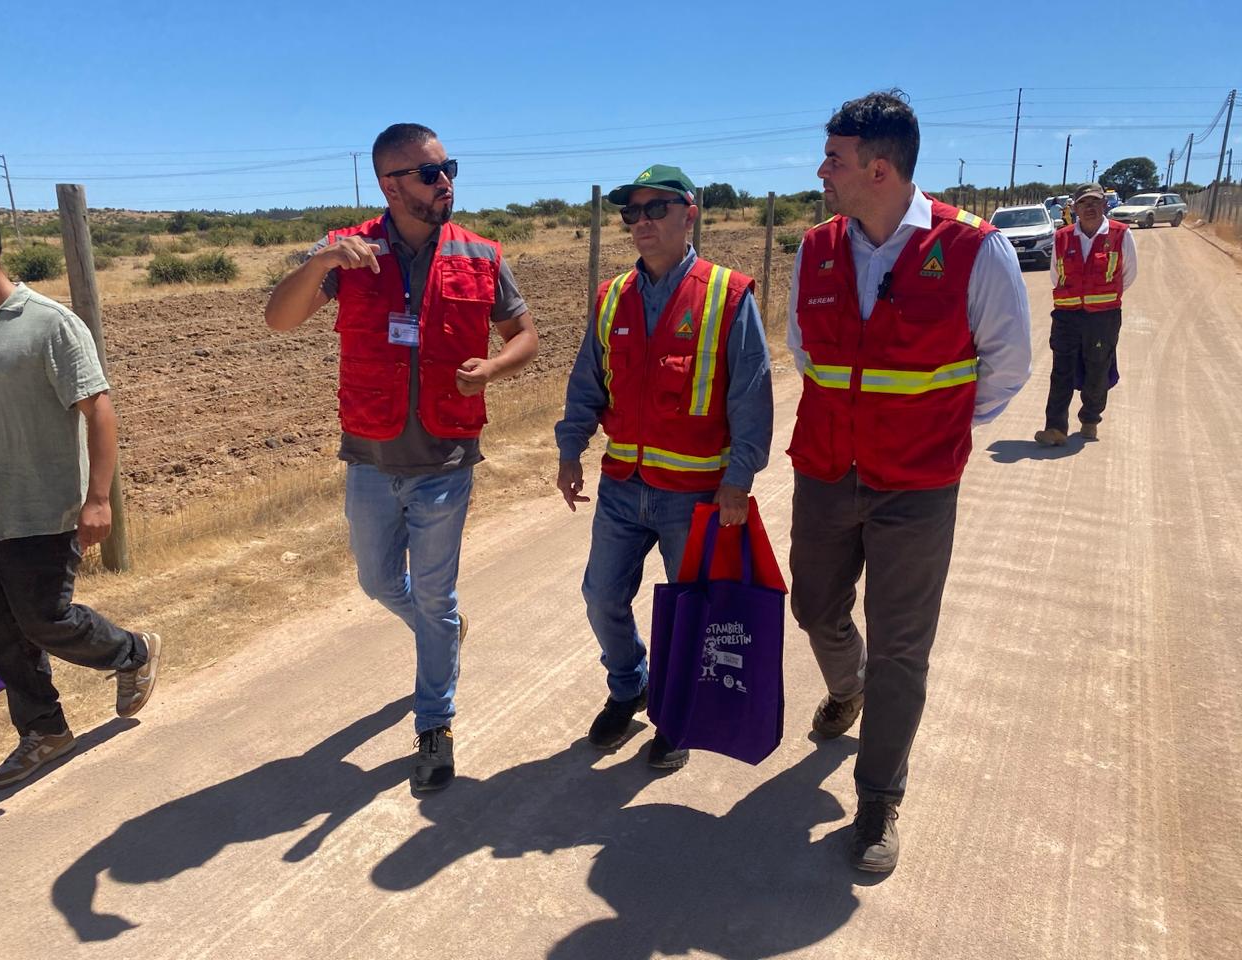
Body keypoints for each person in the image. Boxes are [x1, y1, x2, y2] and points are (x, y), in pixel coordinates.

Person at [786, 91, 1031, 872]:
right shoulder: (816, 248)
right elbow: (804, 351)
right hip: (827, 471)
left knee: (901, 648)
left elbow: (1008, 365)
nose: (822, 171)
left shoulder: (973, 249)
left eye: (834, 159)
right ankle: (847, 685)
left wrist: (936, 429)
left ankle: (878, 800)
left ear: (879, 169)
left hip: (917, 488)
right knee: (813, 605)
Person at [265, 124, 538, 793]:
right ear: (390, 185)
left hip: (445, 457)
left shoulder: (480, 254)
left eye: (448, 168)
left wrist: (494, 366)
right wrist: (320, 262)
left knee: (435, 592)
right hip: (369, 456)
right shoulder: (348, 252)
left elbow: (524, 335)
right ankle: (442, 631)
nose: (445, 182)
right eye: (428, 172)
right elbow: (279, 318)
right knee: (379, 583)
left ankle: (435, 724)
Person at [556, 164, 773, 770]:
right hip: (622, 486)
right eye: (632, 212)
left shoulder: (728, 295)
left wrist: (738, 480)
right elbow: (587, 383)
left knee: (690, 610)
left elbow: (751, 397)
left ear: (689, 213)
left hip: (696, 494)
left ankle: (678, 715)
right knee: (601, 596)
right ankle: (630, 685)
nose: (642, 221)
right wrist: (570, 449)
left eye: (656, 208)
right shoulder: (611, 298)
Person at [0, 201, 161, 789]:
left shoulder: (50, 324)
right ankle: (44, 730)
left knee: (46, 618)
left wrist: (98, 499)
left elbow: (99, 411)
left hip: (42, 506)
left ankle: (133, 652)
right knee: (0, 636)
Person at [1033, 182, 1137, 446]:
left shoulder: (1120, 234)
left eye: (1094, 202)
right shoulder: (1062, 237)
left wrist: (1102, 296)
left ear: (1104, 204)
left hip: (1103, 316)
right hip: (1066, 316)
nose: (1089, 208)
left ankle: (1090, 419)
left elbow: (1128, 274)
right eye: (1083, 203)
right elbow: (1055, 275)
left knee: (1097, 368)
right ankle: (1055, 428)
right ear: (1075, 208)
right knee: (1061, 371)